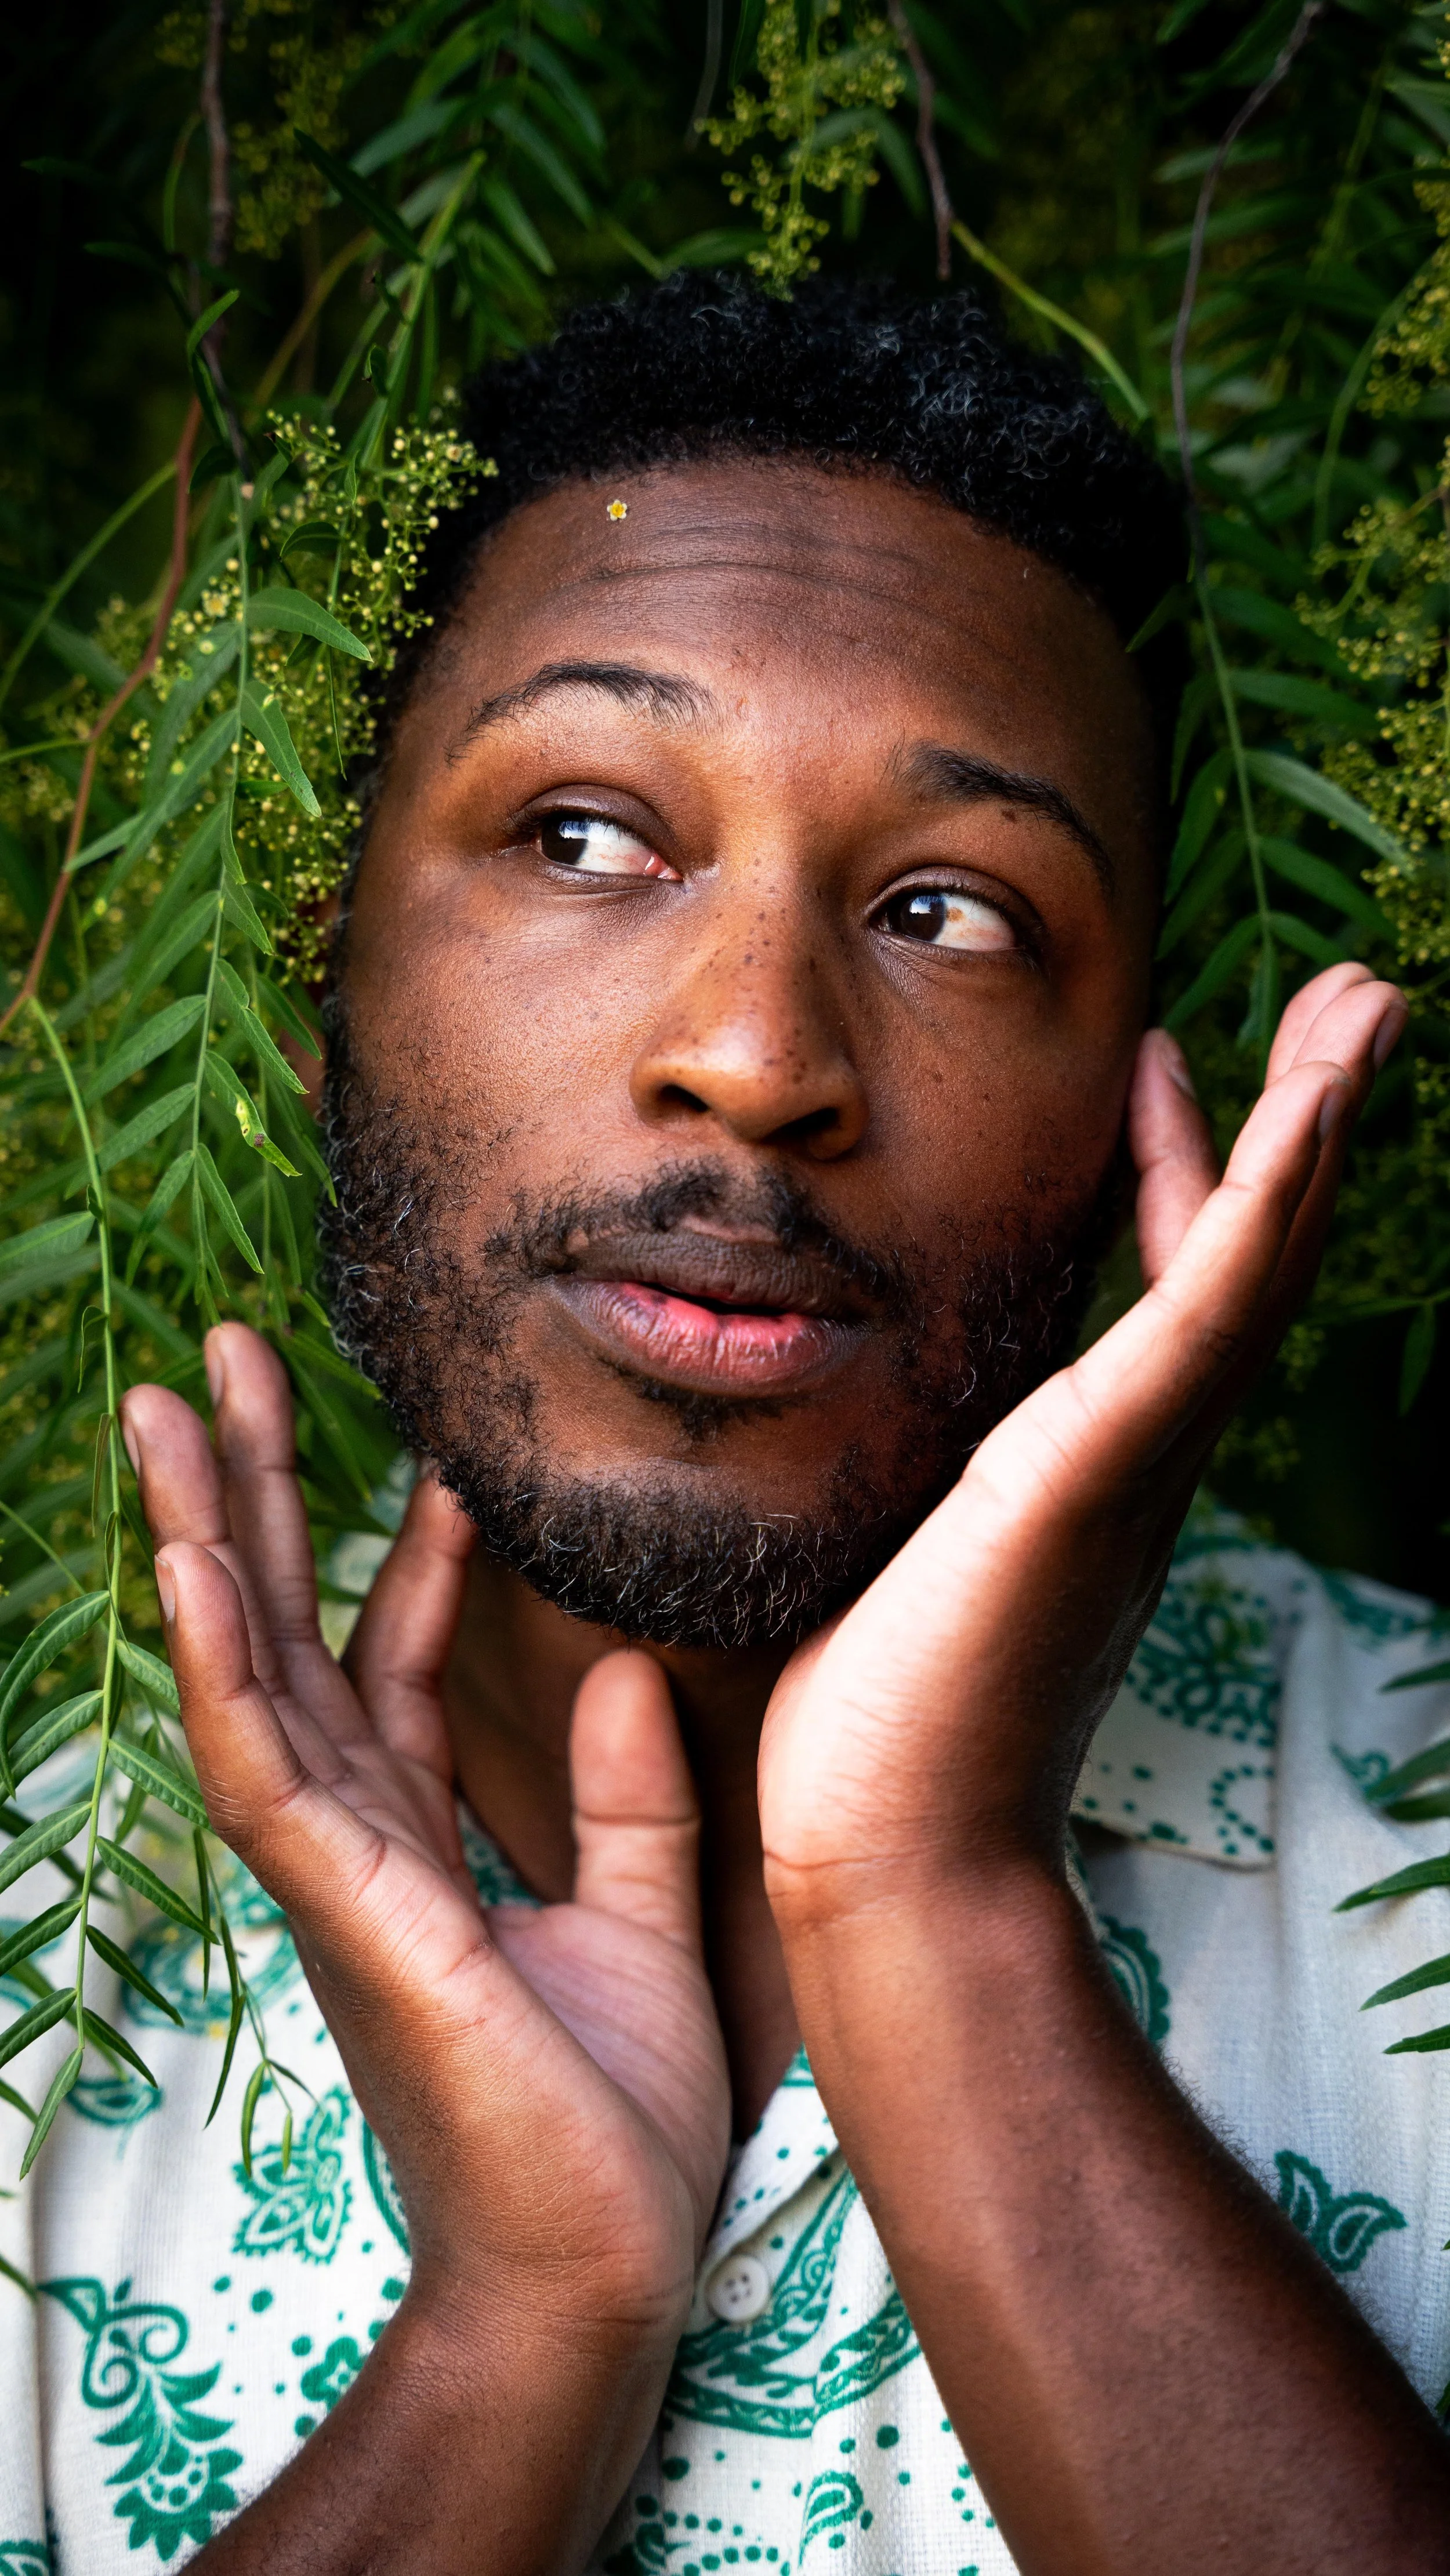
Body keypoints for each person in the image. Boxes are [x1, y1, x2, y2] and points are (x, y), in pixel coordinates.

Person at [4, 273, 1450, 2576]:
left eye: (949, 912)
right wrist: (522, 2328)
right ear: (311, 994)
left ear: (1134, 1118)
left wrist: (934, 1908)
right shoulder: (35, 1945)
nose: (760, 1055)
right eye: (585, 837)